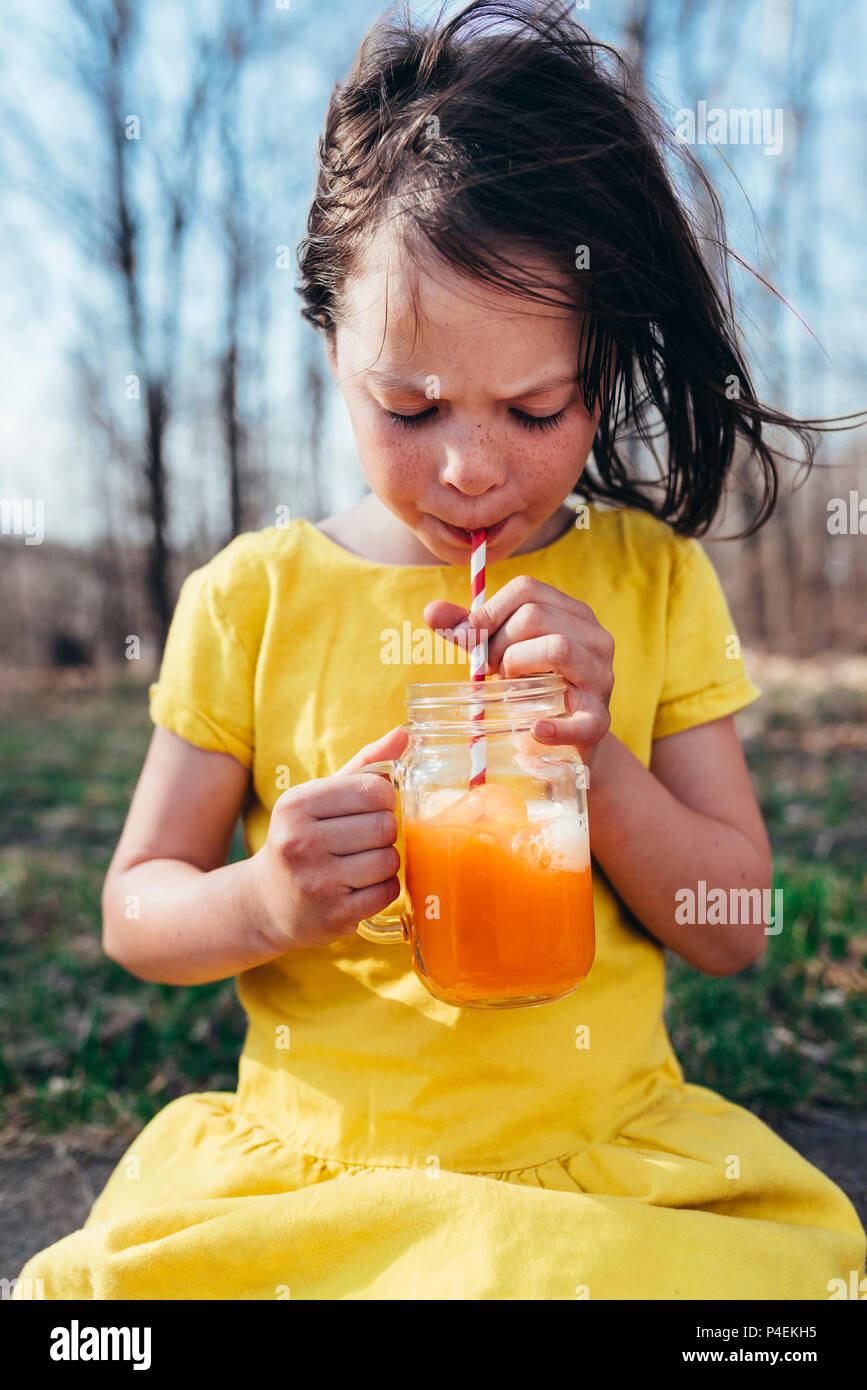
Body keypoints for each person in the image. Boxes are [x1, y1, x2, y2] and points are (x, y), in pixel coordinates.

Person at [16, 0, 865, 1299]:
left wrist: (605, 764)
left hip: (596, 1169)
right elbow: (137, 909)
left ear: (604, 367)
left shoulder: (647, 581)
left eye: (534, 407)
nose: (470, 467)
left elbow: (735, 924)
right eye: (409, 406)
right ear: (330, 345)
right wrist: (262, 902)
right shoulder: (254, 597)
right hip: (321, 1174)